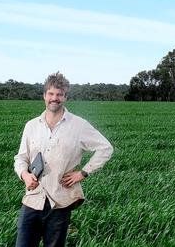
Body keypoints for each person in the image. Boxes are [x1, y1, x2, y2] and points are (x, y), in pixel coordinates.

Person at [13, 72, 113, 247]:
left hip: (60, 202)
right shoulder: (31, 126)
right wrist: (24, 175)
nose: (55, 98)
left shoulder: (78, 125)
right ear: (44, 95)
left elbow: (105, 148)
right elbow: (21, 157)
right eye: (51, 93)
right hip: (32, 200)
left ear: (65, 97)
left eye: (59, 94)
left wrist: (83, 173)